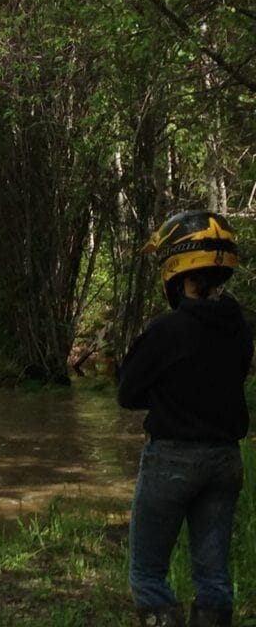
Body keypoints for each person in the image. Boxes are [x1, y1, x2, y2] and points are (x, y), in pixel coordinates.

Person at [118, 210, 252, 627]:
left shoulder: (166, 330)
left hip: (172, 460)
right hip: (225, 460)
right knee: (213, 575)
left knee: (147, 574)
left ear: (177, 269)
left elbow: (128, 393)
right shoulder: (243, 327)